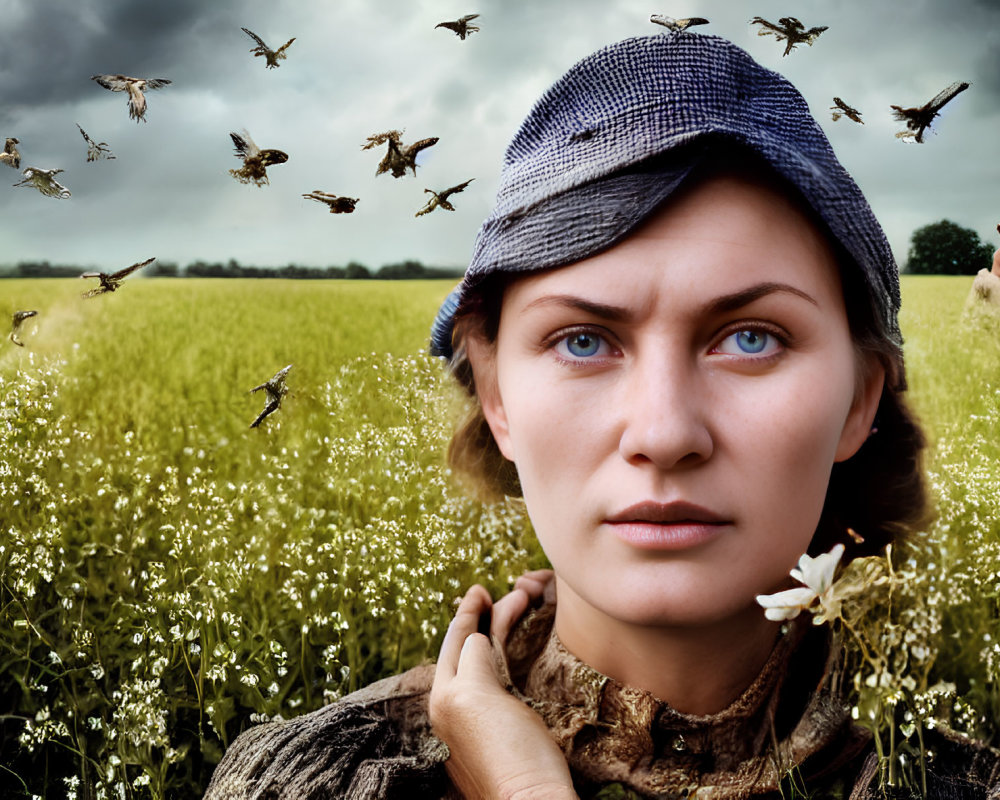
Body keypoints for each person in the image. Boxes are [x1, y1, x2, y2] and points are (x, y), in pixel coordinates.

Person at [204, 33, 1000, 799]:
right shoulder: (308, 782)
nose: (663, 435)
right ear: (497, 396)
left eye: (750, 338)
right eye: (583, 340)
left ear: (860, 400)